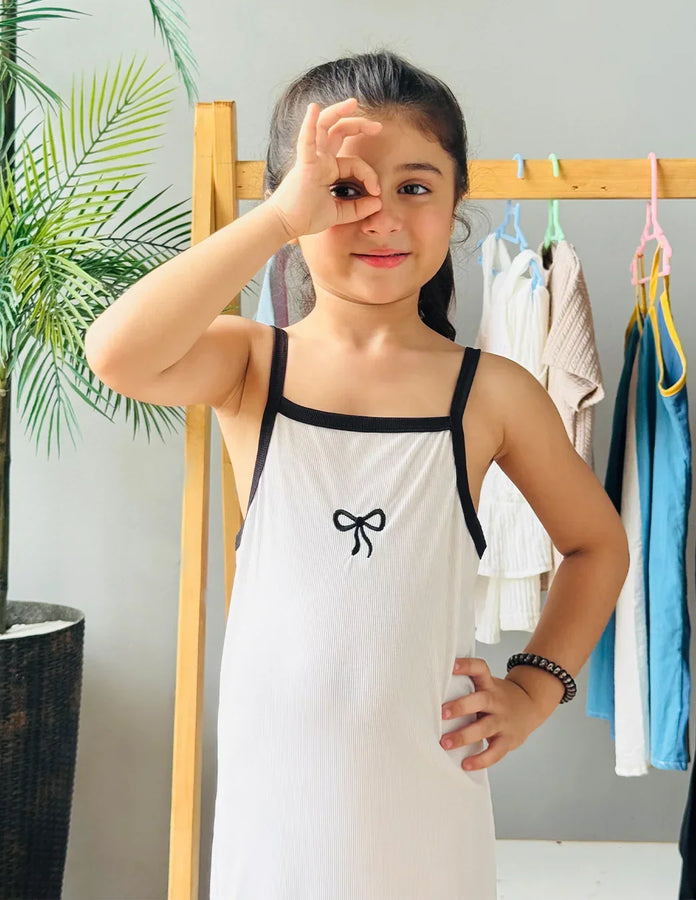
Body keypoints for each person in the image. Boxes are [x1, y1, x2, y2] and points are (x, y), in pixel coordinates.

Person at [84, 48, 629, 900]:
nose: (381, 217)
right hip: (276, 798)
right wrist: (271, 221)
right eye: (343, 190)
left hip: (427, 792)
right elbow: (115, 353)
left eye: (414, 188)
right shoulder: (249, 364)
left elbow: (597, 545)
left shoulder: (491, 391)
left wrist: (535, 687)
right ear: (295, 200)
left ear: (455, 206)